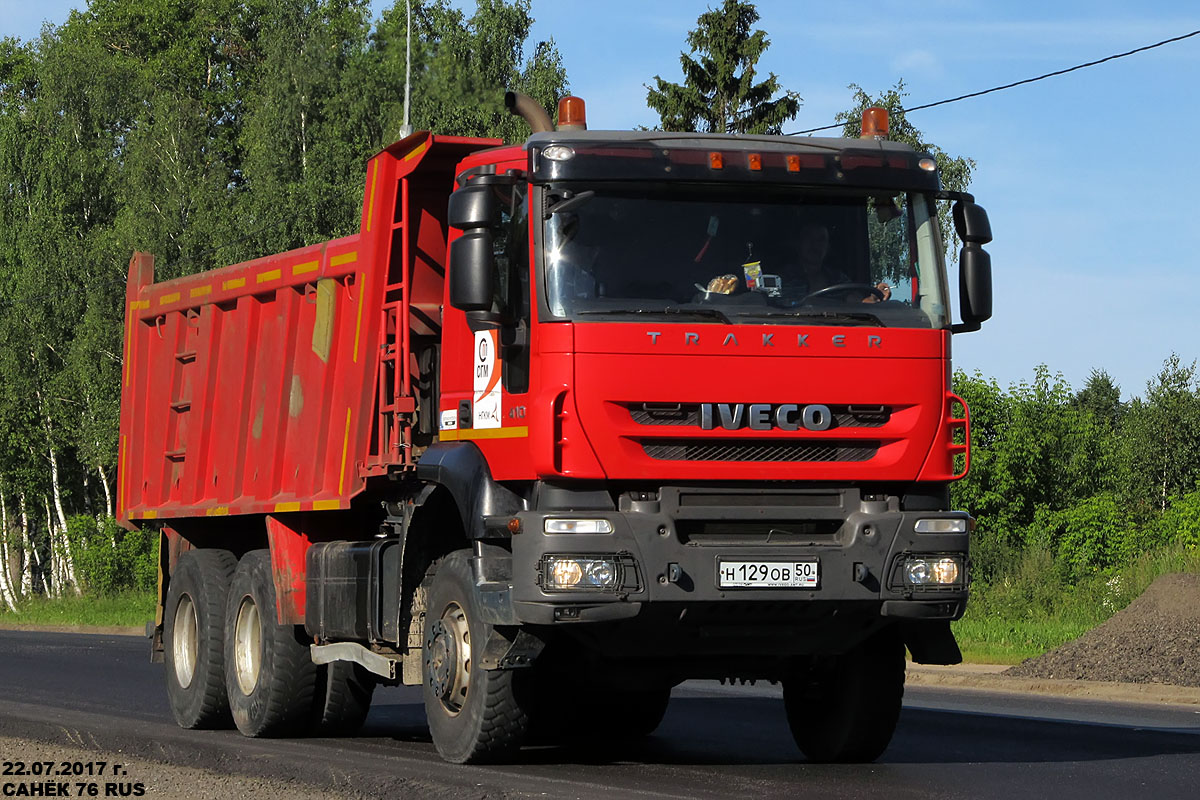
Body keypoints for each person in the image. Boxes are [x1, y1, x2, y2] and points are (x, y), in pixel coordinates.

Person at [791, 222, 891, 303]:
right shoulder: (784, 278)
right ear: (798, 244)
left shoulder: (837, 279)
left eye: (821, 239)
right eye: (809, 238)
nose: (815, 245)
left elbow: (860, 303)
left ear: (827, 247)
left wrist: (874, 297)